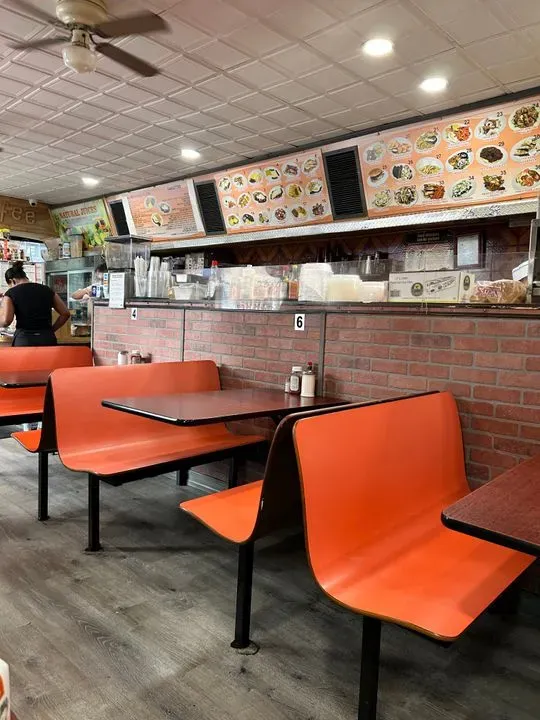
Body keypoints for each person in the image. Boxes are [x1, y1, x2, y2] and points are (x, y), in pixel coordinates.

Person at [0, 261, 70, 347]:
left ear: (12, 281)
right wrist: (51, 330)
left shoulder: (11, 293)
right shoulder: (47, 290)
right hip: (47, 339)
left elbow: (6, 321)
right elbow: (65, 313)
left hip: (24, 340)